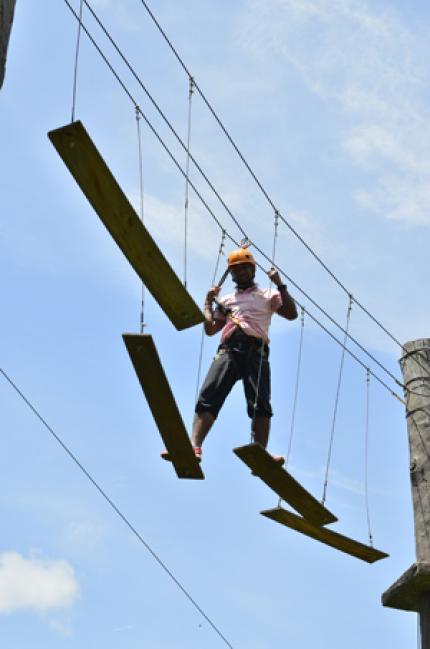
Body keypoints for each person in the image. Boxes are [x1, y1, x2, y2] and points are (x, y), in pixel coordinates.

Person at [167, 247, 298, 465]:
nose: (241, 274)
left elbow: (291, 314)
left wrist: (280, 284)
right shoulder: (226, 300)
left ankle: (260, 453)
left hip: (256, 351)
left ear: (252, 270)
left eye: (244, 269)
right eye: (236, 271)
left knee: (260, 404)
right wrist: (208, 302)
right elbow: (210, 329)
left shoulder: (268, 295)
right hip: (229, 350)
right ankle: (194, 446)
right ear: (232, 275)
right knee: (209, 395)